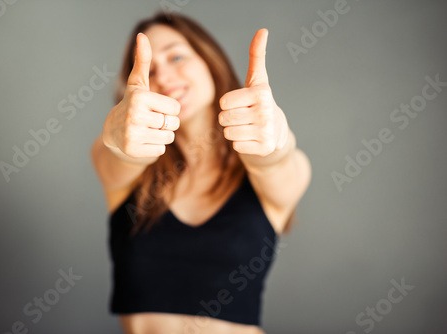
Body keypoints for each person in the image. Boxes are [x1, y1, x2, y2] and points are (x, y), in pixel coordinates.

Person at [91, 11, 311, 334]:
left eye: (176, 56)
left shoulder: (279, 174)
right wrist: (113, 134)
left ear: (209, 58)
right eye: (150, 70)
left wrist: (277, 141)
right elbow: (116, 155)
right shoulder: (125, 165)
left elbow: (277, 161)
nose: (164, 78)